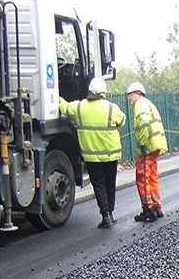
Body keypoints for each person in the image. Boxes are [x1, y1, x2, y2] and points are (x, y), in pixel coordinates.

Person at [59, 77, 125, 228]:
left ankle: (105, 215)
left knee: (99, 185)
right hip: (111, 154)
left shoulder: (80, 107)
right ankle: (111, 213)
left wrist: (58, 97)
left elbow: (65, 108)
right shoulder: (111, 108)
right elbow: (122, 121)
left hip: (92, 156)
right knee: (110, 184)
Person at [126, 82, 168, 222]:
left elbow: (144, 123)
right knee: (152, 176)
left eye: (129, 96)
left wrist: (142, 144)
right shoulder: (148, 103)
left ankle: (148, 208)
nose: (129, 99)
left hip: (148, 146)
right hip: (155, 145)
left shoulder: (139, 105)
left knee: (142, 176)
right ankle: (157, 206)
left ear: (135, 93)